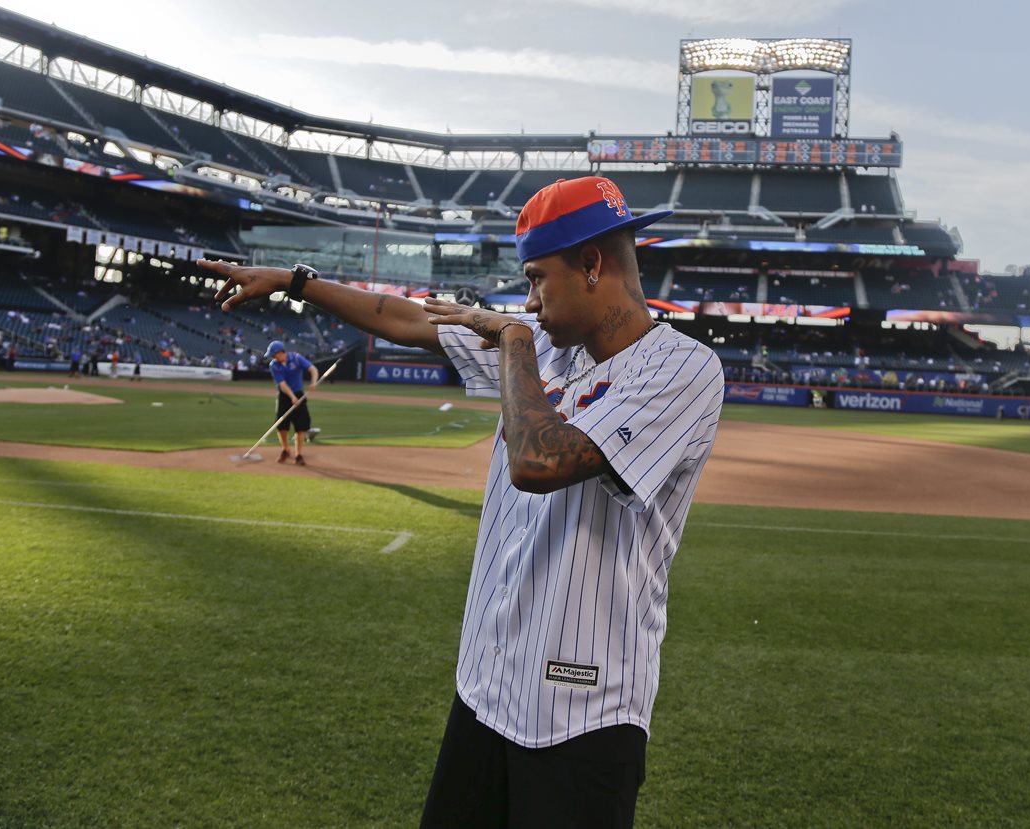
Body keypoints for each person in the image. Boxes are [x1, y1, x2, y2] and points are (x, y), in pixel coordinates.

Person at [200, 175, 724, 828]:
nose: (529, 302)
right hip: (485, 688)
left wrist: (513, 341)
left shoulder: (681, 368)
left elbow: (538, 461)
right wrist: (294, 281)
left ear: (592, 263)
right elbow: (405, 318)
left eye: (537, 279)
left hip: (583, 715)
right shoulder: (546, 350)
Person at [264, 340, 318, 465]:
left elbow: (313, 369)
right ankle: (286, 449)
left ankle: (298, 454)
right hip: (284, 395)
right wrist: (292, 397)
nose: (272, 357)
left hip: (299, 393)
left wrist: (313, 382)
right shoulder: (274, 365)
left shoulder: (296, 358)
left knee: (300, 427)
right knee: (281, 425)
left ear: (280, 352)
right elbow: (282, 384)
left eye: (273, 355)